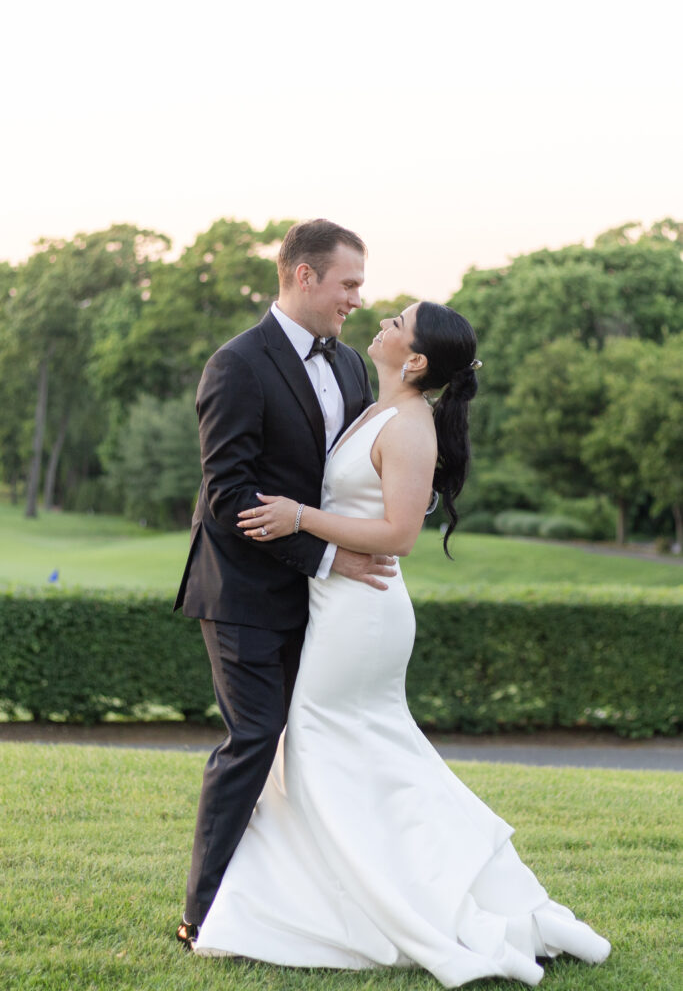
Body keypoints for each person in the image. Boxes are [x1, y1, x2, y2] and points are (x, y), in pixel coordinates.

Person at [192, 301, 611, 987]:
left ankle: (405, 904)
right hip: (337, 604)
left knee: (327, 750)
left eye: (395, 322)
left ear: (413, 360)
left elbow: (399, 536)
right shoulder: (376, 402)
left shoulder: (411, 427)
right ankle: (461, 894)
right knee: (370, 755)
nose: (380, 320)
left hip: (362, 611)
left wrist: (298, 516)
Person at [173, 219, 397, 947]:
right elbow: (227, 497)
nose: (357, 298)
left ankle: (302, 901)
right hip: (241, 595)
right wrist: (328, 560)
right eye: (348, 283)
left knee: (314, 743)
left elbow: (350, 474)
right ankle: (202, 915)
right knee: (256, 737)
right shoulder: (237, 365)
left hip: (322, 604)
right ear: (304, 276)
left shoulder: (351, 368)